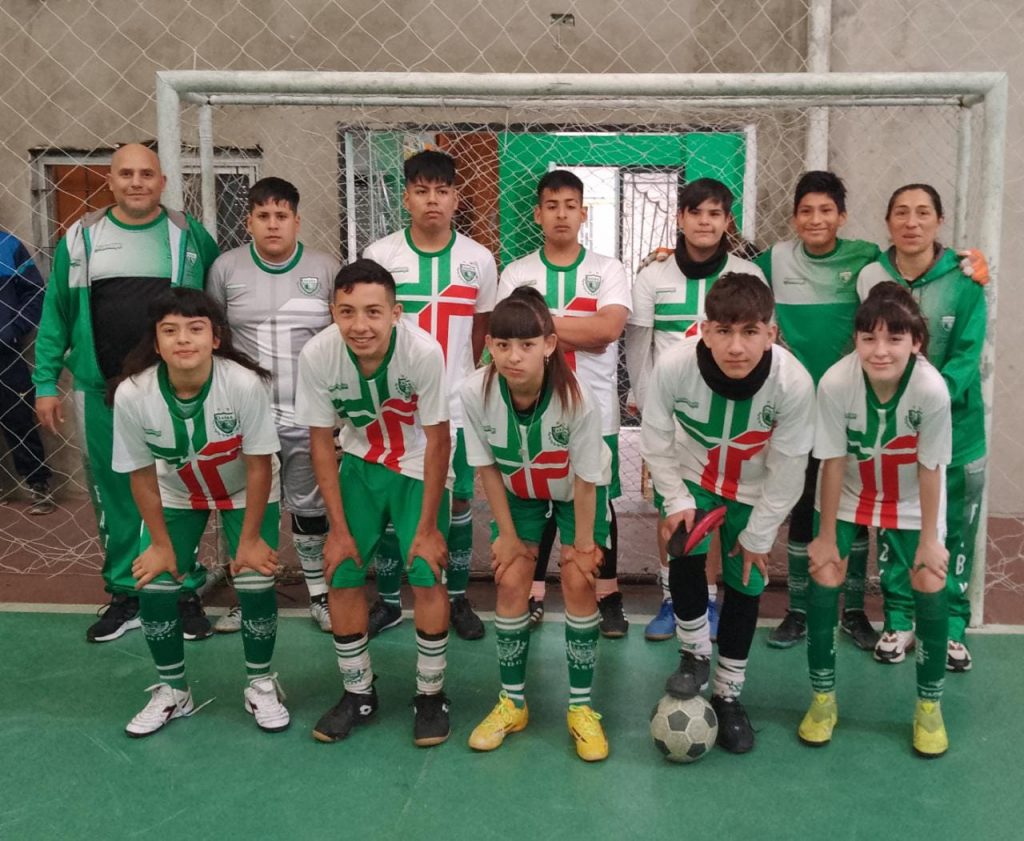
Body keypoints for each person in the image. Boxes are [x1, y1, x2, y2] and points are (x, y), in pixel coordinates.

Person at [33, 143, 220, 642]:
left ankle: (182, 588)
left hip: (174, 391)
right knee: (115, 492)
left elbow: (214, 305)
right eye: (126, 174)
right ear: (111, 180)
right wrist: (46, 382)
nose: (137, 182)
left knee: (180, 489)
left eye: (146, 174)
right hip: (103, 392)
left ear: (163, 182)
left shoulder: (189, 236)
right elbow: (56, 313)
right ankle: (126, 593)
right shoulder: (82, 237)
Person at [640, 272, 814, 753]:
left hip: (755, 487)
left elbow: (789, 469)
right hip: (693, 474)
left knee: (746, 578)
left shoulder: (793, 383)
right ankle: (694, 653)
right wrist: (676, 500)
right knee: (683, 547)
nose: (736, 346)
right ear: (704, 330)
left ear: (770, 333)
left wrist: (759, 535)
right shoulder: (674, 366)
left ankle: (729, 694)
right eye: (723, 331)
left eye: (750, 332)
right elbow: (654, 436)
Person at [111, 288, 288, 737]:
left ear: (216, 338)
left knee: (255, 578)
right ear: (155, 343)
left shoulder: (243, 384)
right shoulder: (133, 393)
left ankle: (261, 683)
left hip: (246, 489)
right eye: (169, 330)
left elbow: (259, 465)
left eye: (195, 328)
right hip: (176, 492)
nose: (183, 339)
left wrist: (249, 541)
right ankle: (173, 691)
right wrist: (161, 545)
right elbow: (141, 476)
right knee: (154, 583)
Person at [294, 258, 453, 747]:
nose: (360, 325)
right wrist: (338, 530)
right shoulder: (318, 355)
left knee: (425, 571)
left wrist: (427, 528)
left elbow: (439, 439)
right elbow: (320, 442)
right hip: (361, 463)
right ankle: (358, 692)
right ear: (333, 313)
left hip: (418, 466)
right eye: (347, 312)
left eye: (373, 312)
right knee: (341, 570)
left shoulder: (423, 352)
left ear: (395, 313)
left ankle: (431, 695)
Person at [799, 282, 952, 757]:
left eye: (894, 339)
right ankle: (822, 700)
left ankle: (929, 707)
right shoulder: (835, 383)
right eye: (869, 338)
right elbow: (831, 461)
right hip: (850, 489)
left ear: (916, 342)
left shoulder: (931, 389)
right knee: (825, 571)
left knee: (928, 577)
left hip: (912, 496)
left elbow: (931, 468)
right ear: (857, 340)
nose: (880, 350)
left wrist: (930, 540)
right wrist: (826, 536)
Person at [461, 287, 610, 761]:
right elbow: (486, 468)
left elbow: (586, 480)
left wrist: (582, 546)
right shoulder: (473, 392)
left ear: (549, 344)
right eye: (503, 345)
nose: (513, 356)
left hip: (574, 493)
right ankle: (512, 703)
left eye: (526, 345)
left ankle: (581, 708)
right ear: (489, 346)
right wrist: (507, 536)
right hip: (518, 493)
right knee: (510, 579)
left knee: (578, 580)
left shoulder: (578, 400)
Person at [363, 149, 497, 642]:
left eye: (442, 191)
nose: (432, 200)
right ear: (406, 198)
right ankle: (389, 601)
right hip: (394, 406)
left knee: (458, 503)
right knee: (390, 506)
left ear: (457, 198)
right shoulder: (380, 256)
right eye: (422, 191)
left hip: (456, 407)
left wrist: (457, 378)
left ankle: (456, 597)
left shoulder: (479, 260)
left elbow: (480, 333)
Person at [626, 177, 765, 643]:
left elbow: (760, 348)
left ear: (727, 221)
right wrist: (647, 403)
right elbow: (638, 346)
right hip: (672, 415)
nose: (705, 222)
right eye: (696, 213)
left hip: (729, 417)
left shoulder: (748, 275)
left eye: (714, 214)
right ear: (680, 218)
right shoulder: (653, 276)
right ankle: (673, 598)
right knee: (674, 509)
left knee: (720, 509)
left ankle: (711, 600)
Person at [857, 184, 987, 673]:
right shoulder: (871, 274)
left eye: (923, 213)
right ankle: (899, 619)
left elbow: (968, 354)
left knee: (952, 531)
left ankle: (950, 626)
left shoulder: (966, 279)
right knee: (895, 527)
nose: (912, 223)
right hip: (891, 433)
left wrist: (928, 401)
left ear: (939, 220)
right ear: (888, 222)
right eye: (901, 213)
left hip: (957, 430)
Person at [497, 169, 631, 638]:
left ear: (583, 213)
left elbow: (608, 329)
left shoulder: (608, 269)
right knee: (539, 498)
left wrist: (536, 326)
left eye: (570, 206)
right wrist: (578, 329)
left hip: (594, 412)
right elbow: (507, 333)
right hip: (530, 412)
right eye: (552, 206)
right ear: (537, 214)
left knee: (598, 505)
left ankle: (607, 594)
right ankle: (534, 592)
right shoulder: (517, 272)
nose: (561, 214)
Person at [754, 172, 882, 651]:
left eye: (826, 210)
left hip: (851, 404)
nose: (815, 219)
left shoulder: (866, 257)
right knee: (804, 504)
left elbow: (915, 265)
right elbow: (726, 268)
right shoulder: (776, 259)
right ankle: (799, 611)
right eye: (806, 211)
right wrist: (669, 254)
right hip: (800, 406)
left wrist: (965, 261)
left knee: (855, 507)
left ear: (841, 216)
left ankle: (854, 610)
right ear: (793, 218)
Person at [206, 177, 339, 633]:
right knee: (251, 505)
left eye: (282, 216)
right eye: (263, 216)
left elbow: (339, 341)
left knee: (308, 505)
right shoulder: (226, 268)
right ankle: (251, 596)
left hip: (307, 412)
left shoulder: (326, 268)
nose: (273, 224)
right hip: (250, 415)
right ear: (248, 222)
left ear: (297, 221)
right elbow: (215, 339)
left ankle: (319, 595)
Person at [0, 230, 54, 514]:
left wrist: (13, 330)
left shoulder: (7, 245)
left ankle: (38, 483)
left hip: (5, 353)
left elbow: (34, 291)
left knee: (18, 417)